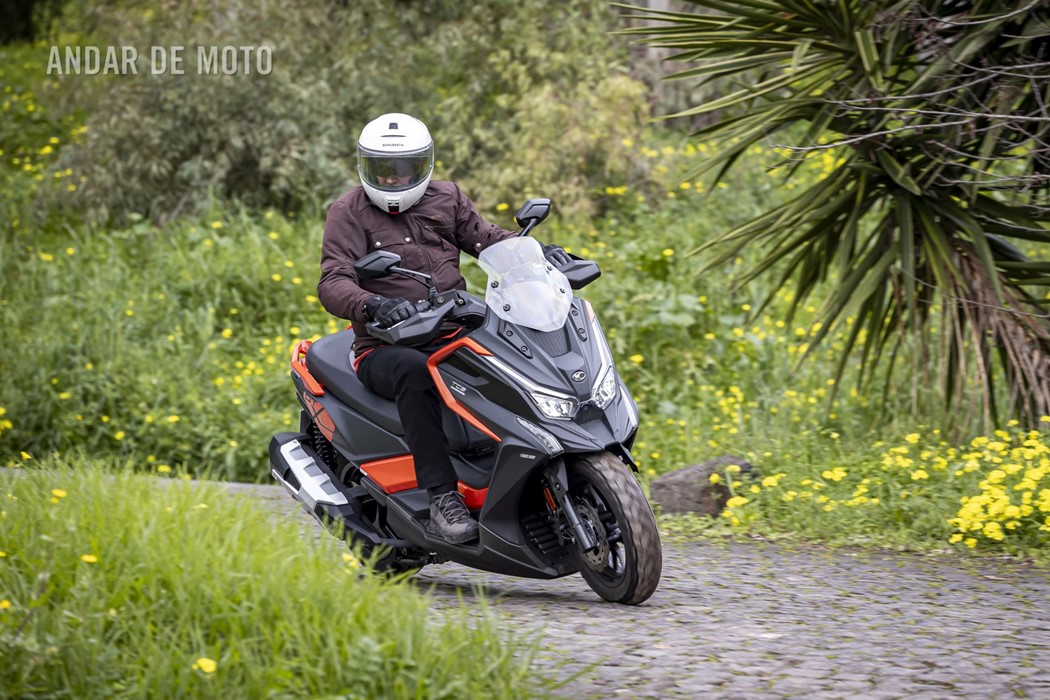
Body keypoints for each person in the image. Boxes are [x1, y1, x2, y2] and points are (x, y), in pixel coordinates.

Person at [317, 112, 571, 544]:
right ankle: (442, 499)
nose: (393, 180)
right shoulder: (348, 212)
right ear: (364, 166)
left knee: (517, 356)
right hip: (384, 345)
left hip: (452, 327)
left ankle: (528, 466)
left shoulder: (447, 197)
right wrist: (373, 304)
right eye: (382, 170)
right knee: (413, 373)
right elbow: (333, 280)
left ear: (424, 164)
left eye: (403, 170)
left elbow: (486, 239)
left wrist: (538, 254)